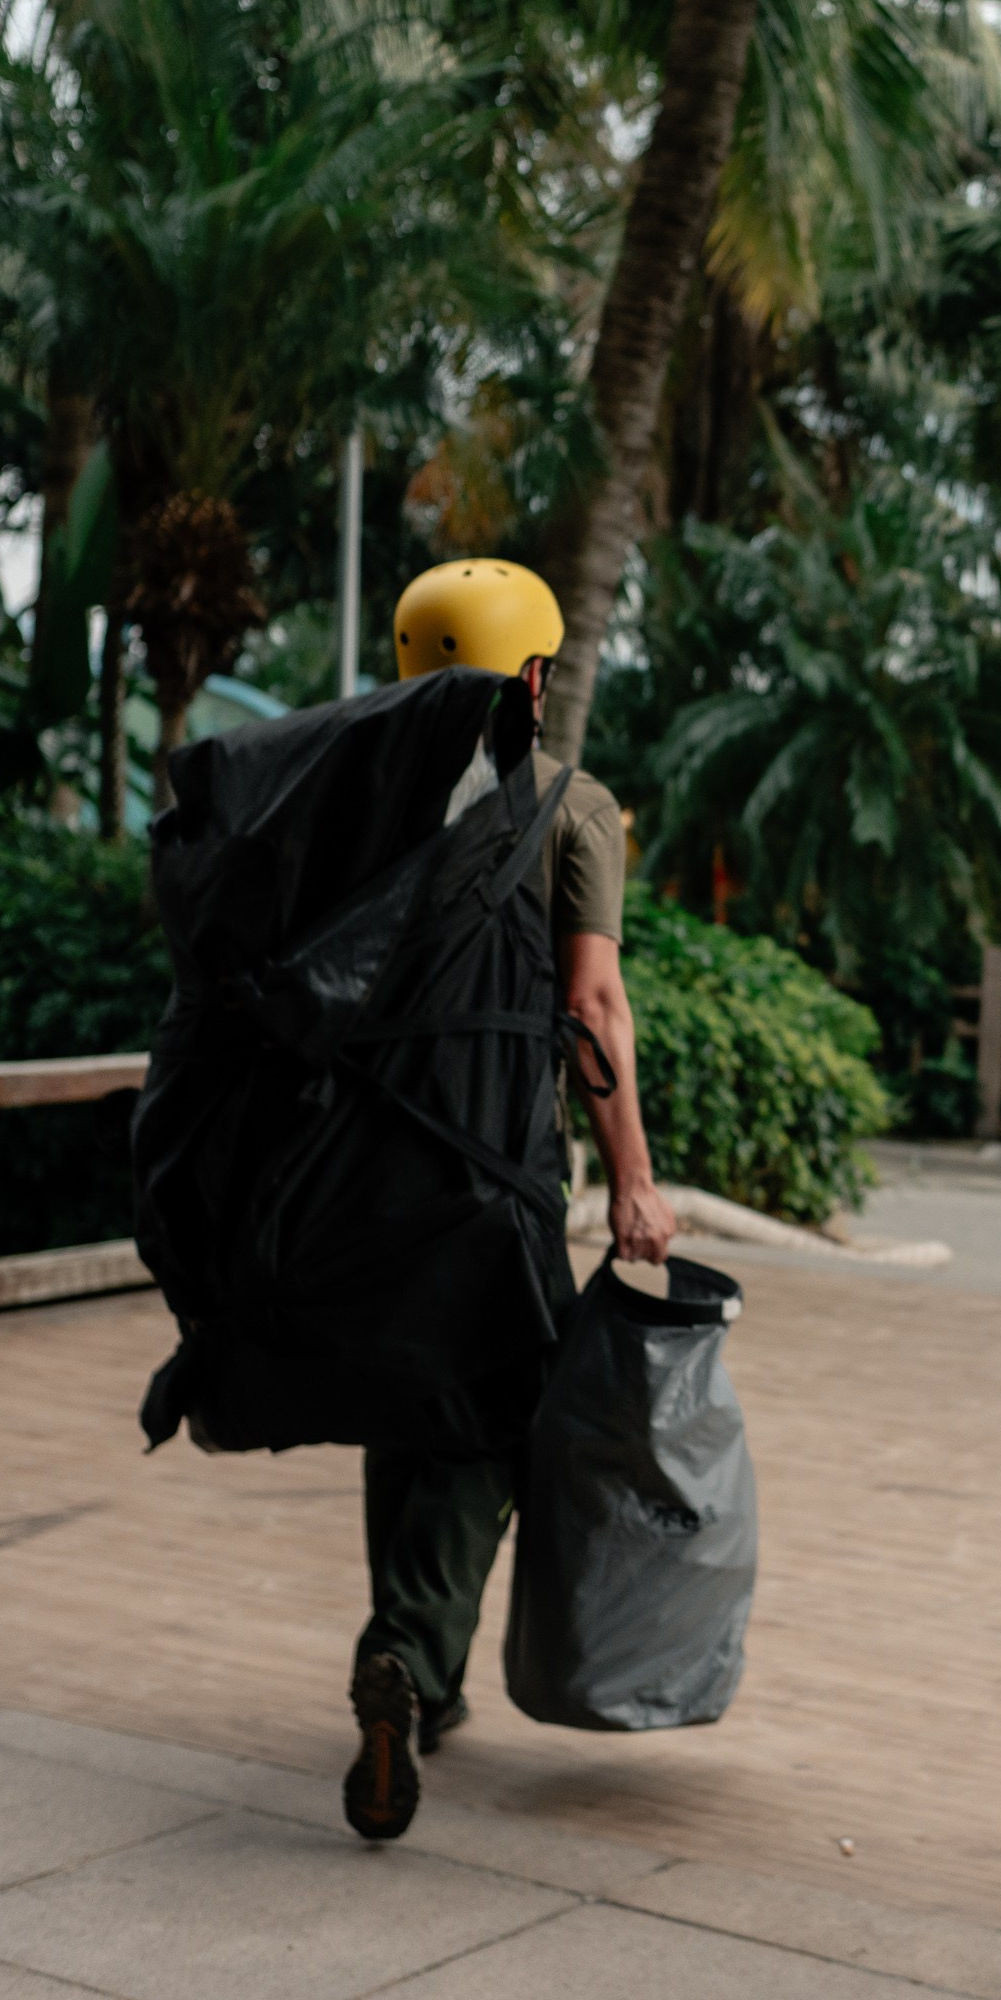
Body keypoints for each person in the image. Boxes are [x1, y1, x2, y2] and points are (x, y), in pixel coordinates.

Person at [343, 559, 680, 1842]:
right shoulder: (572, 808)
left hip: (357, 1173)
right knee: (496, 1413)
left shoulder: (359, 797)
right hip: (494, 1173)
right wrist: (635, 1178)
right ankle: (409, 1663)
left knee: (403, 1396)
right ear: (531, 677)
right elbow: (593, 1005)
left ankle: (417, 1685)